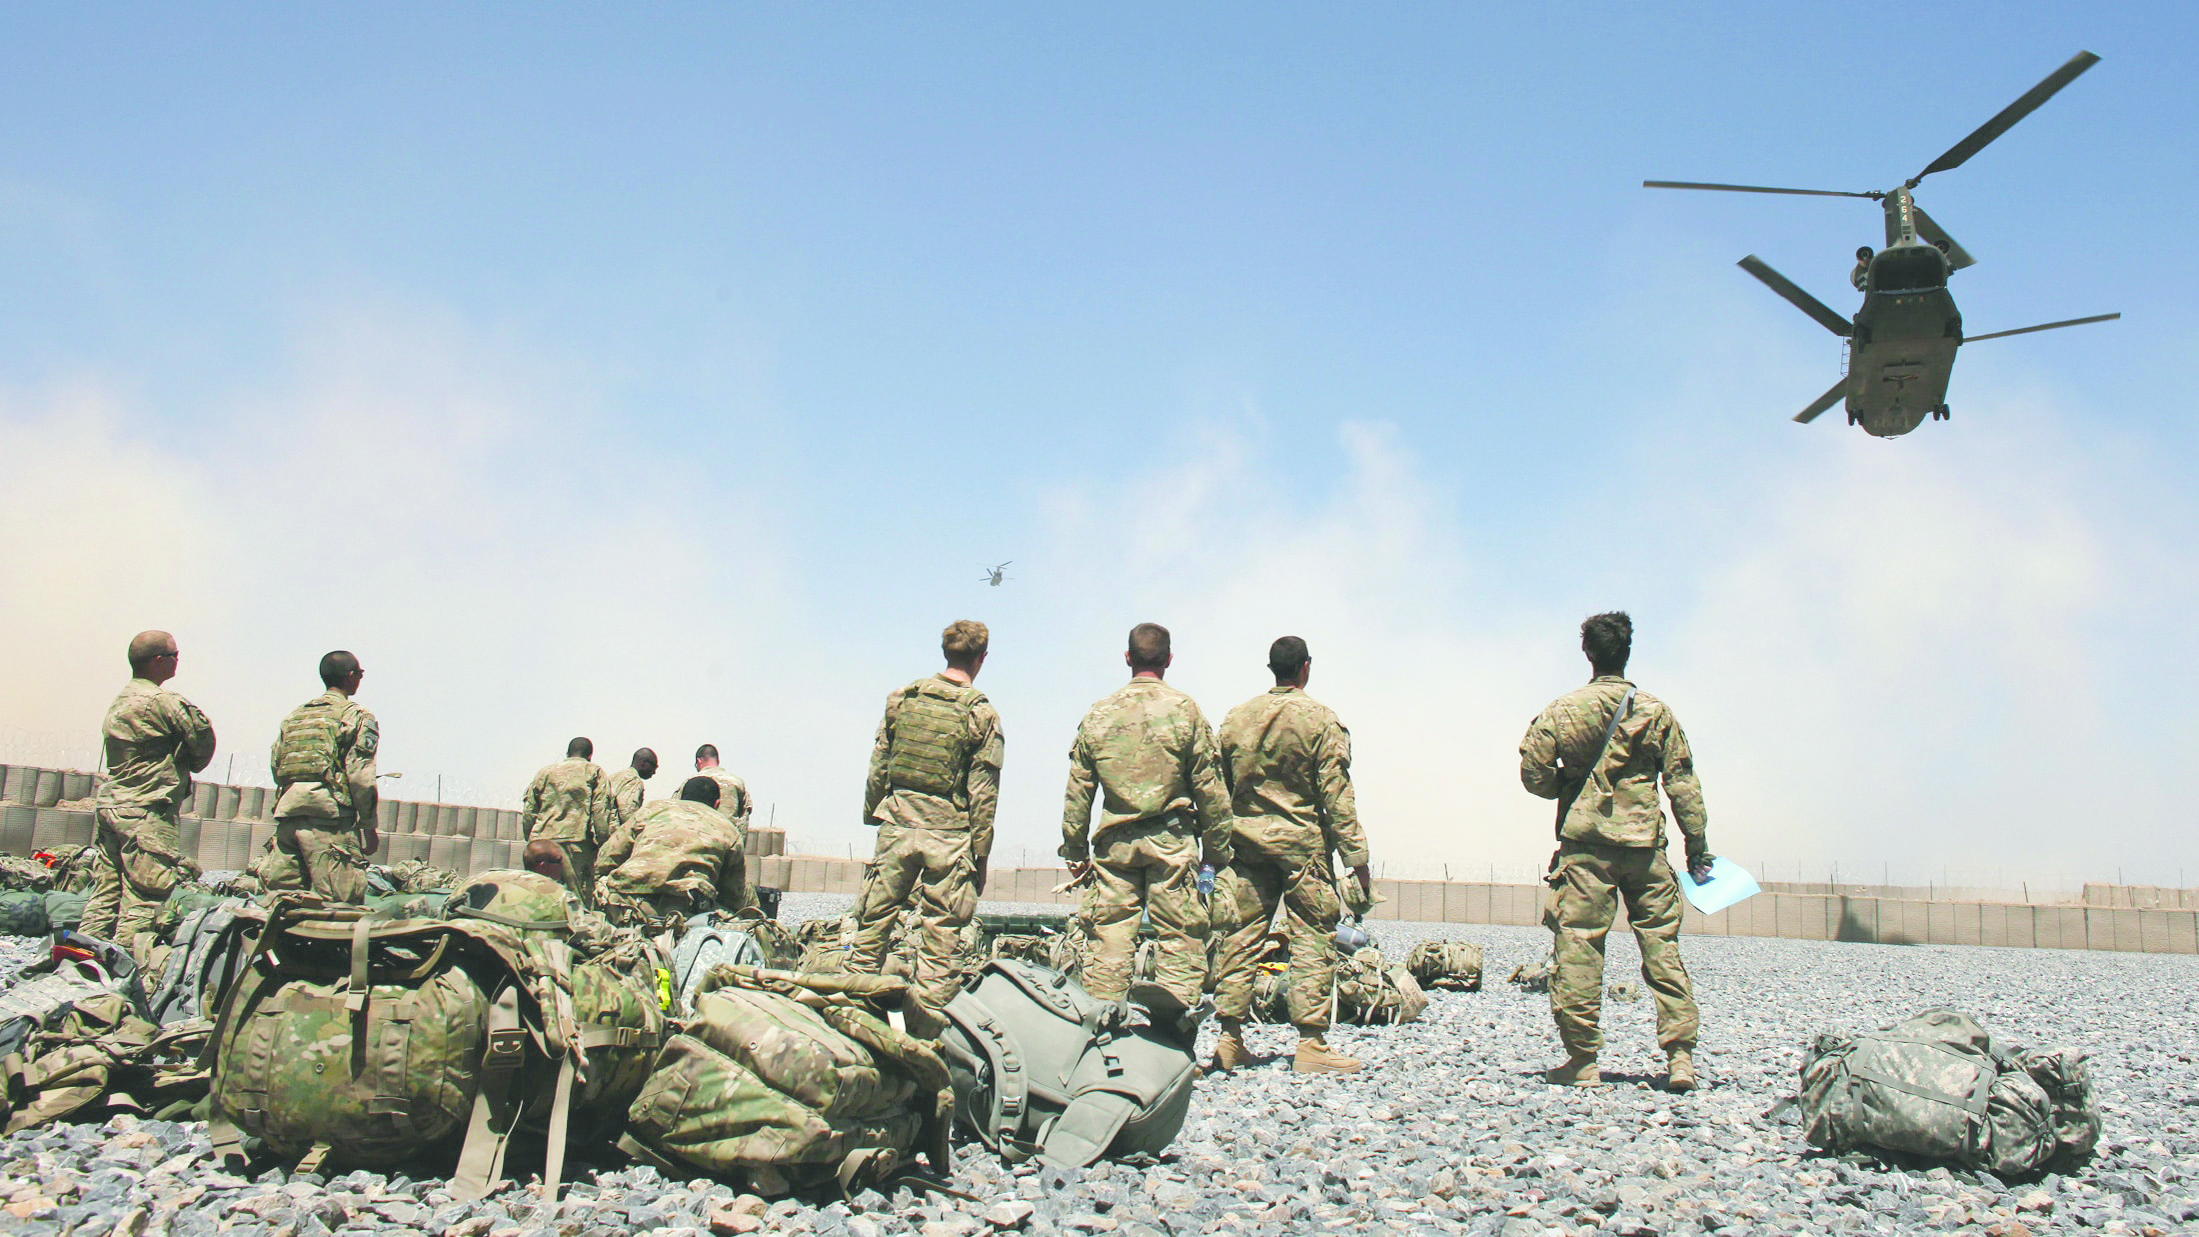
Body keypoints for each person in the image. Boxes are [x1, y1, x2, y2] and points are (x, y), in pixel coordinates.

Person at [1518, 611, 1712, 1092]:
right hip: (1646, 848)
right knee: (1661, 947)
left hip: (1586, 849)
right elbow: (1682, 784)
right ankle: (1680, 1058)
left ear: (1588, 652)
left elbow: (1533, 776)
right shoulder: (1655, 712)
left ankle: (1582, 1061)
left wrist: (1568, 782)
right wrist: (1698, 847)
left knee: (1580, 946)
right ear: (1627, 652)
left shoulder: (1562, 711)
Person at [1060, 622, 1232, 1043]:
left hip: (1115, 844)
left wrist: (1075, 848)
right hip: (1171, 843)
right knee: (1180, 939)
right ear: (1169, 659)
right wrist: (1216, 850)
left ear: (1127, 658)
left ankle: (1100, 1040)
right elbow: (1210, 788)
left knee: (1110, 938)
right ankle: (1171, 1046)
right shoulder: (1185, 711)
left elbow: (1079, 787)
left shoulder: (1099, 712)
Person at [1209, 636, 1373, 1075]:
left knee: (1240, 937)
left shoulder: (1236, 719)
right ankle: (1311, 1044)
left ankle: (1229, 1040)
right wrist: (1357, 858)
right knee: (1313, 939)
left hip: (1245, 845)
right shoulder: (1320, 720)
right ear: (1305, 668)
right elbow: (1336, 794)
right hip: (1302, 849)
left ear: (1272, 669)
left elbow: (1216, 787)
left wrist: (1214, 845)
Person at [845, 620, 1003, 1035]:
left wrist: (875, 814)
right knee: (942, 932)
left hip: (897, 824)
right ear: (981, 659)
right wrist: (981, 853)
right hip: (949, 836)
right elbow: (983, 791)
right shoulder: (981, 713)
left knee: (873, 922)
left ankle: (850, 1012)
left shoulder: (903, 699)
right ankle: (928, 1034)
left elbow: (880, 760)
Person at [81, 631, 217, 955]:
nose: (177, 660)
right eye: (174, 654)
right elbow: (203, 740)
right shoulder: (163, 702)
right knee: (145, 899)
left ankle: (81, 963)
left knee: (104, 894)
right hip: (147, 813)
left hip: (114, 806)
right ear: (159, 660)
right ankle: (125, 978)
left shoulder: (120, 701)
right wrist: (190, 763)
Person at [265, 650, 380, 904]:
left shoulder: (295, 716)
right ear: (351, 676)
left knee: (282, 906)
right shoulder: (357, 716)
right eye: (359, 674)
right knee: (340, 907)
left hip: (288, 817)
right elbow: (360, 776)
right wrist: (369, 826)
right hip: (330, 821)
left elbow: (277, 765)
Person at [595, 775, 753, 927]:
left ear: (680, 798)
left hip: (627, 902)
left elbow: (608, 856)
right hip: (685, 912)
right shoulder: (728, 830)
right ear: (717, 804)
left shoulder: (652, 809)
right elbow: (733, 894)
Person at [521, 737, 610, 907]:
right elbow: (600, 812)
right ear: (589, 755)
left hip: (541, 842)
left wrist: (531, 841)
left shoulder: (545, 772)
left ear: (568, 753)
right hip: (575, 844)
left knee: (534, 896)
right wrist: (603, 843)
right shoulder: (594, 772)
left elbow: (529, 811)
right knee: (575, 902)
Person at [693, 744, 752, 845]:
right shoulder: (737, 782)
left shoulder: (691, 782)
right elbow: (744, 818)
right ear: (718, 761)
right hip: (728, 845)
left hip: (698, 845)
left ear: (699, 762)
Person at [606, 747, 658, 832]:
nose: (654, 772)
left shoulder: (614, 777)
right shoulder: (633, 780)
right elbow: (627, 814)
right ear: (643, 762)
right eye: (653, 766)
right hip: (614, 835)